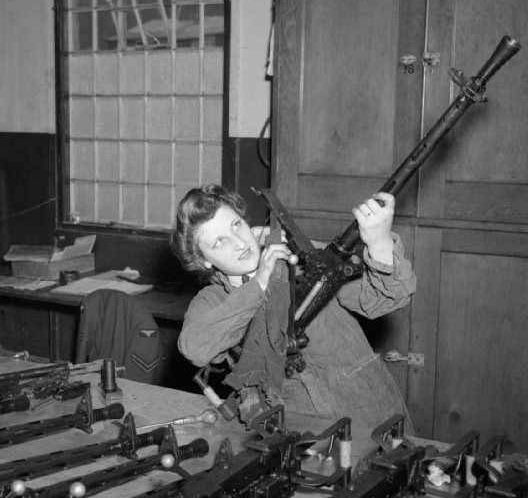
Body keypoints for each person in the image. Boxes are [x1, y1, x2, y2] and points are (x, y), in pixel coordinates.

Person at [171, 184, 416, 432]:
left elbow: (388, 298)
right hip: (294, 431)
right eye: (219, 242)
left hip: (368, 410)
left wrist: (381, 244)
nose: (238, 243)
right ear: (203, 260)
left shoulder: (302, 257)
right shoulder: (213, 301)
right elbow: (196, 349)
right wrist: (259, 284)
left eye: (236, 225)